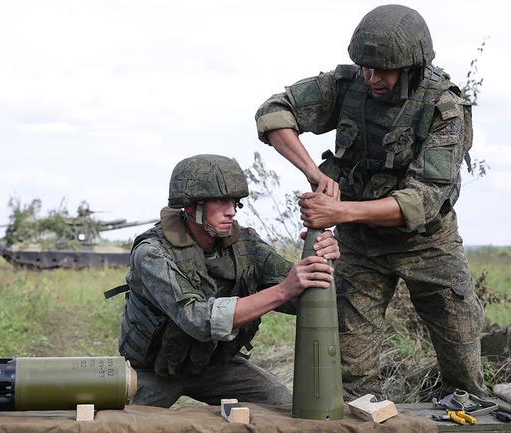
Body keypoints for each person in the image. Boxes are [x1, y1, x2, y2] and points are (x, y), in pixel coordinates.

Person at [255, 4, 486, 399]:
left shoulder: (445, 110)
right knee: (350, 377)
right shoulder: (348, 86)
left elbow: (420, 202)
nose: (372, 78)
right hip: (360, 246)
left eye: (383, 70)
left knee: (462, 356)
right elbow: (274, 113)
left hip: (428, 244)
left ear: (411, 67)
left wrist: (338, 211)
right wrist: (315, 173)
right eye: (365, 67)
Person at [110, 154, 339, 407]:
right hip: (152, 371)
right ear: (190, 207)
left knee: (282, 406)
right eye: (219, 201)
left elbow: (303, 297)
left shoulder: (246, 245)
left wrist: (320, 256)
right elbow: (198, 319)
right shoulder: (153, 253)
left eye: (234, 201)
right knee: (117, 424)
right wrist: (284, 289)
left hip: (213, 367)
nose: (231, 211)